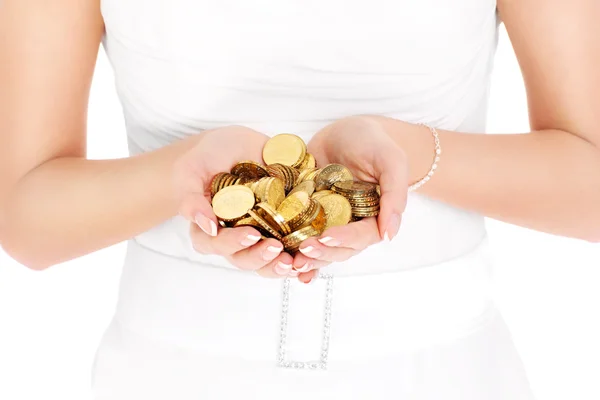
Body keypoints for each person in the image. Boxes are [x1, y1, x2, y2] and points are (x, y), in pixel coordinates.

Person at [1, 0, 598, 398]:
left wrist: (409, 152)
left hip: (444, 374)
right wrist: (182, 175)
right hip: (170, 375)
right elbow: (25, 217)